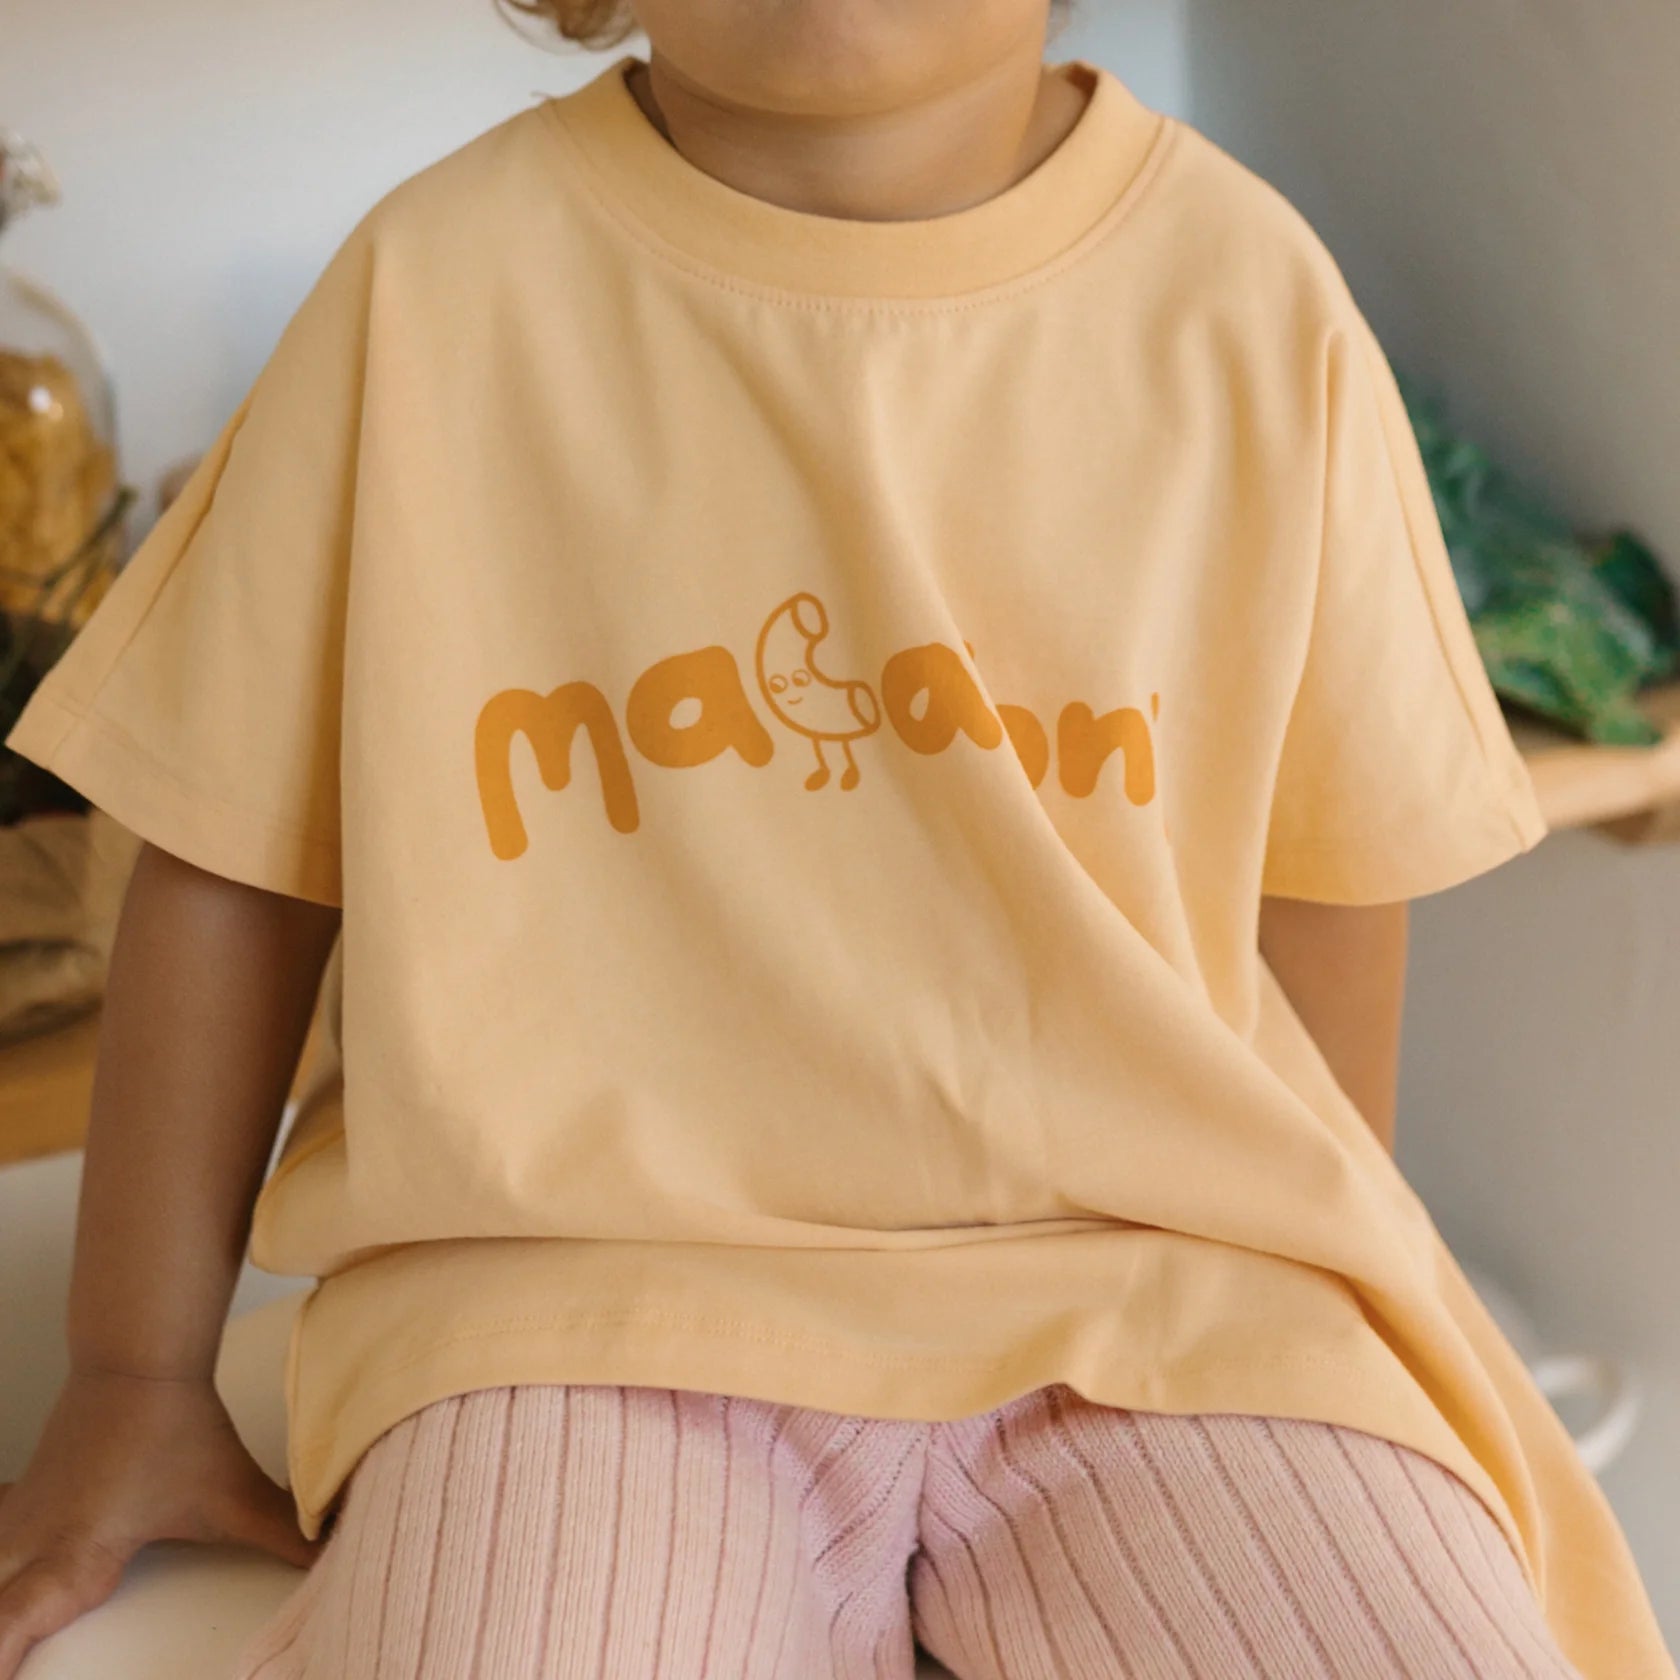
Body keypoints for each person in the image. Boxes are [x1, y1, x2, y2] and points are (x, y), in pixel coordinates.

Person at [0, 2, 1672, 1676]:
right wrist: (134, 1375)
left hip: (1178, 1297)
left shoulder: (1250, 297)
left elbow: (1328, 883)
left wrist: (1306, 1279)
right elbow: (226, 864)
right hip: (568, 1305)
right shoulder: (431, 290)